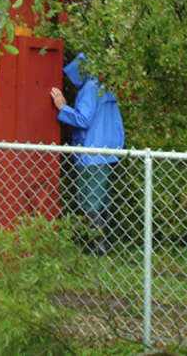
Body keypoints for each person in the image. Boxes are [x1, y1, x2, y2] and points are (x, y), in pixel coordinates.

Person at [50, 53, 124, 255]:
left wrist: (62, 107)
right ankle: (103, 245)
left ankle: (97, 248)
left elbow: (83, 119)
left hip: (91, 153)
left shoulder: (89, 89)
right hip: (107, 153)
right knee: (103, 200)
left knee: (90, 200)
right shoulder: (102, 88)